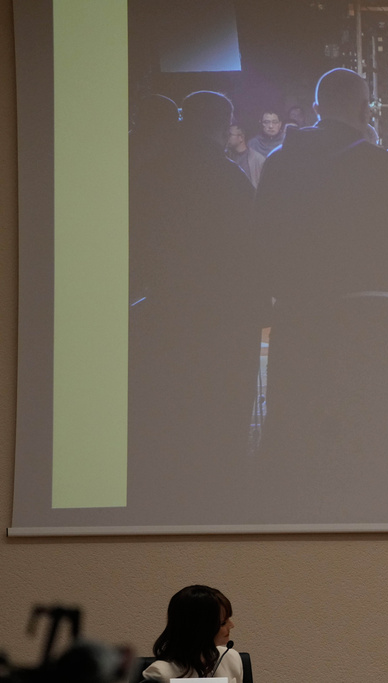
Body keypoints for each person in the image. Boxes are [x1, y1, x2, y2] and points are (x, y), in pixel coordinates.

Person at [254, 68, 388, 518]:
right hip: (367, 320)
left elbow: (261, 239)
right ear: (364, 109)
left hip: (300, 319)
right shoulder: (376, 162)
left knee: (300, 440)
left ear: (316, 110)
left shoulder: (280, 163)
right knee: (374, 438)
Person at [128, 91, 264, 514]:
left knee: (172, 416)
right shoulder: (227, 177)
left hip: (163, 310)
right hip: (223, 318)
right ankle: (221, 504)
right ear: (223, 126)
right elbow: (251, 248)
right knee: (222, 417)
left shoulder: (149, 173)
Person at [142, 585, 242, 683]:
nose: (232, 625)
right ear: (200, 629)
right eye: (223, 623)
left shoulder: (231, 659)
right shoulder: (161, 673)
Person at [225, 124, 266, 188]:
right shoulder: (226, 156)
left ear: (241, 137)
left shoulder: (258, 159)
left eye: (230, 135)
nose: (227, 138)